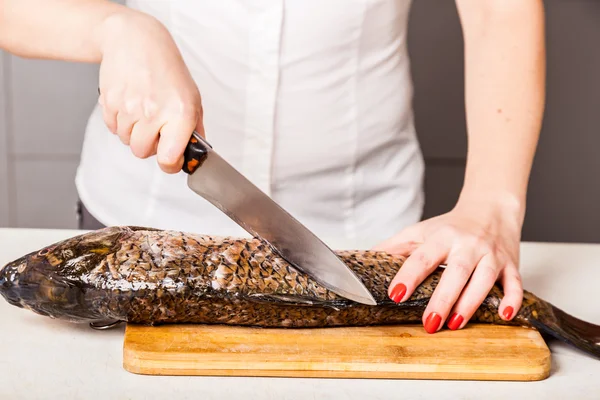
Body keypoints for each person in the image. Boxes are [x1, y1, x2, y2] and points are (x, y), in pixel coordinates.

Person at [0, 0, 546, 334]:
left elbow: (500, 7)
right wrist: (116, 28)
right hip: (135, 238)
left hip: (376, 242)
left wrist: (492, 203)